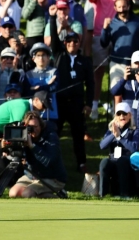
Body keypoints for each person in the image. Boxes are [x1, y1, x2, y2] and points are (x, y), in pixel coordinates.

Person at [49, 30, 93, 172]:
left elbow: (91, 83)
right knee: (55, 134)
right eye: (69, 41)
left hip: (77, 104)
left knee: (78, 135)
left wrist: (88, 104)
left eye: (75, 41)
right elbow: (54, 40)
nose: (72, 44)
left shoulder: (85, 61)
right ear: (65, 43)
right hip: (60, 103)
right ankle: (51, 162)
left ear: (79, 43)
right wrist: (53, 18)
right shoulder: (59, 56)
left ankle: (81, 163)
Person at [8, 111, 67, 198]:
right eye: (30, 127)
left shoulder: (51, 136)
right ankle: (49, 195)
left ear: (41, 126)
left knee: (27, 194)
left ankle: (58, 197)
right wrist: (6, 145)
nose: (33, 130)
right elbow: (12, 152)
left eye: (36, 126)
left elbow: (50, 160)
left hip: (53, 178)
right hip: (32, 176)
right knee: (13, 193)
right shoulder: (24, 136)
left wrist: (32, 146)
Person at [100, 0, 139, 89]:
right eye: (119, 7)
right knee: (117, 92)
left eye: (124, 7)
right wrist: (105, 29)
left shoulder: (138, 21)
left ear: (129, 7)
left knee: (134, 91)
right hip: (116, 62)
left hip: (135, 64)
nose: (122, 10)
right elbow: (104, 43)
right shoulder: (111, 23)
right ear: (115, 8)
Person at [99, 103, 139, 197]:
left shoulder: (135, 130)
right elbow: (102, 146)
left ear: (129, 115)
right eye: (119, 114)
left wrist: (120, 138)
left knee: (122, 161)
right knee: (104, 162)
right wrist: (113, 134)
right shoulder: (111, 130)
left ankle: (124, 194)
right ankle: (103, 194)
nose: (122, 116)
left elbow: (134, 148)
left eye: (124, 114)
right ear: (115, 116)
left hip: (127, 159)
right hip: (113, 159)